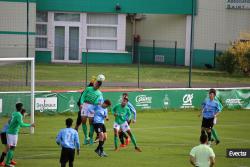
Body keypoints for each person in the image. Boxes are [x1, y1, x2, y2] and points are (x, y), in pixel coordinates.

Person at [79, 81, 103, 145]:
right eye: (95, 84)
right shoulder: (88, 88)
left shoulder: (99, 93)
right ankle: (86, 137)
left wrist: (97, 103)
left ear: (99, 86)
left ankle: (91, 138)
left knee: (91, 123)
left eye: (97, 85)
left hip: (92, 107)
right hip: (85, 105)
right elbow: (83, 96)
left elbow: (96, 101)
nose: (95, 86)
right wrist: (81, 103)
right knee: (83, 121)